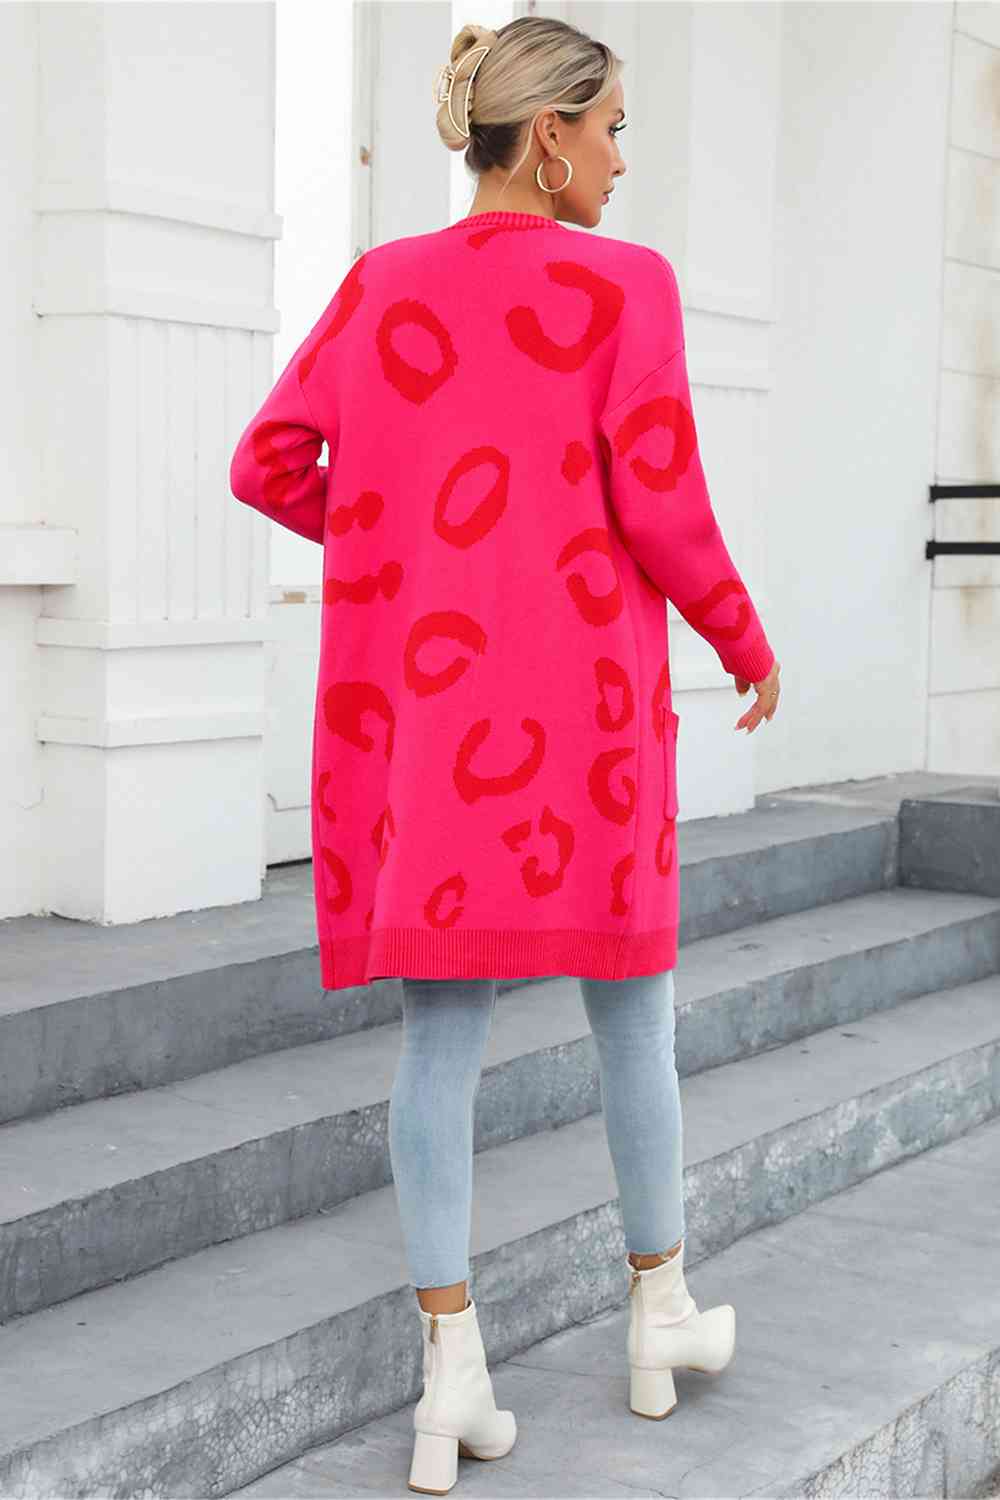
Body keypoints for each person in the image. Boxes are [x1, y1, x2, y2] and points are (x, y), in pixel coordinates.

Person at [230, 14, 780, 1493]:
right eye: (611, 129)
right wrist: (742, 637)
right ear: (549, 137)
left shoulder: (380, 285)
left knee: (441, 1041)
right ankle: (660, 1318)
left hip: (434, 728)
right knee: (635, 1017)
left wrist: (392, 532)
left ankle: (449, 1381)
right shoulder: (626, 286)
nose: (620, 160)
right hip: (589, 719)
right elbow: (661, 500)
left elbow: (267, 463)